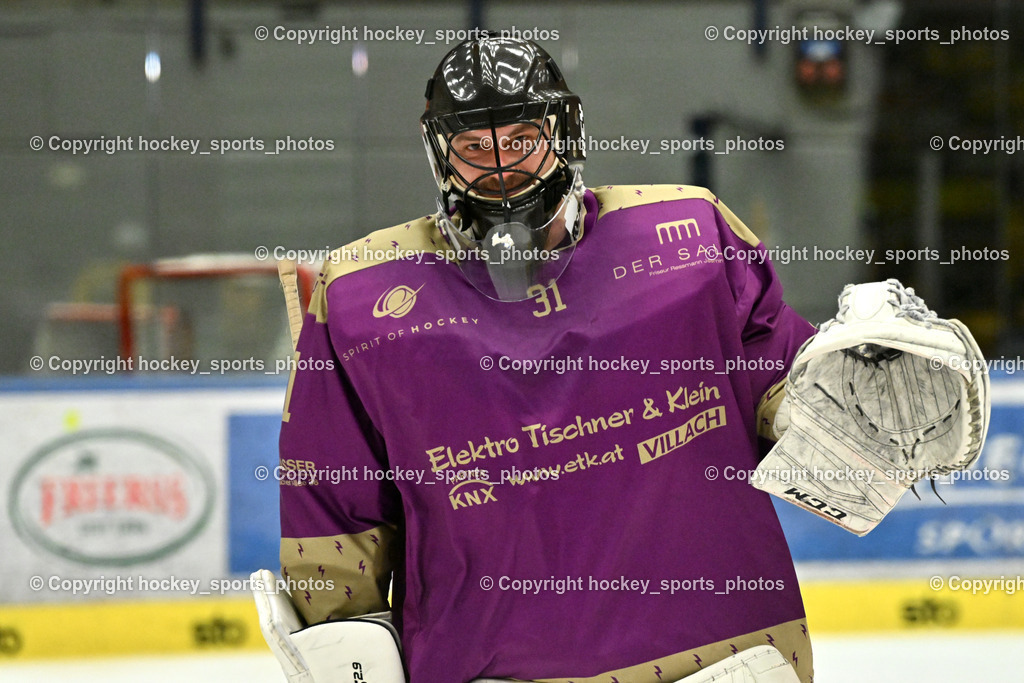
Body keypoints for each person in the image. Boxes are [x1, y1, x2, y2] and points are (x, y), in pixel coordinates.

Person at [272, 34, 817, 683]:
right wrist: (342, 638)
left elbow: (791, 399)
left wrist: (853, 399)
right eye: (475, 147)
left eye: (521, 138)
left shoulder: (690, 246)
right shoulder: (363, 301)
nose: (501, 168)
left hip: (720, 659)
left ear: (564, 131)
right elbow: (335, 505)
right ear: (440, 152)